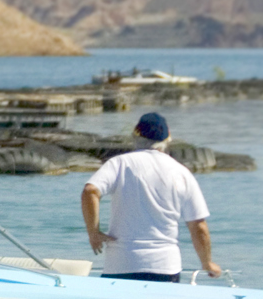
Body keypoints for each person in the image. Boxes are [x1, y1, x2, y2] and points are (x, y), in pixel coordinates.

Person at [81, 111, 224, 282]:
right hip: (165, 267)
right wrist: (207, 263)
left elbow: (90, 191)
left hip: (121, 264)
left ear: (135, 136)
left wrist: (93, 233)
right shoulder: (181, 172)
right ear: (168, 139)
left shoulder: (119, 163)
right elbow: (199, 227)